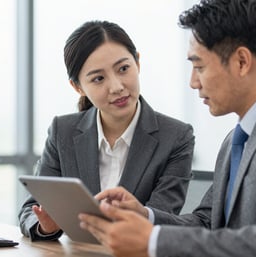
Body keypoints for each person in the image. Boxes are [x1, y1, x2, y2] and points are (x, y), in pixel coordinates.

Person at [78, 1, 256, 256]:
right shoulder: (236, 139)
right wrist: (145, 216)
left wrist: (153, 241)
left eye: (200, 67)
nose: (193, 82)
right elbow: (207, 223)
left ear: (241, 61)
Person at [18, 20, 195, 241]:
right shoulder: (62, 131)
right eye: (98, 79)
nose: (117, 86)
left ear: (137, 63)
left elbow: (164, 217)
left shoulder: (176, 137)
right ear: (78, 87)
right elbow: (30, 210)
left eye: (123, 69)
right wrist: (46, 226)